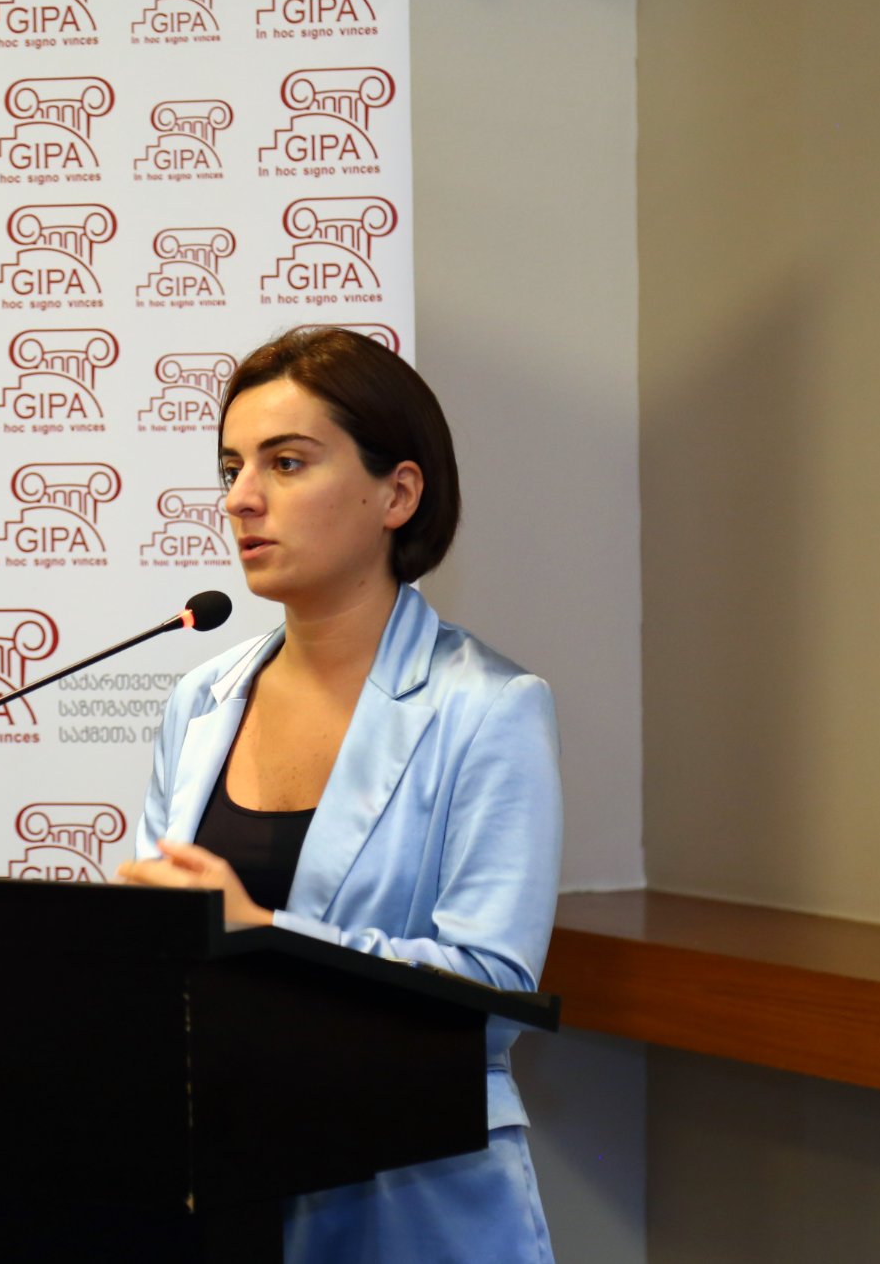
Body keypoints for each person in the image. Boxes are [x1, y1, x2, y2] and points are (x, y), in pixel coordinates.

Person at [116, 325, 563, 1264]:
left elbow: (493, 991)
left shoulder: (489, 707)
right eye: (232, 466)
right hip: (222, 1183)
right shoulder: (201, 700)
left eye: (285, 463)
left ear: (398, 493)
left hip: (412, 1187)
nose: (240, 498)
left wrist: (262, 934)